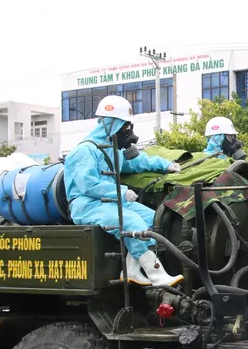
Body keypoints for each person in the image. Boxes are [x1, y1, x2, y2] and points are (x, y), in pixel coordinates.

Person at [64, 95, 184, 286]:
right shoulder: (84, 151)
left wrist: (166, 164)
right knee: (130, 221)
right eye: (124, 126)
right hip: (87, 205)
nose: (128, 131)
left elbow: (137, 161)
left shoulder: (113, 150)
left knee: (153, 219)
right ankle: (157, 276)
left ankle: (132, 270)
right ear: (110, 124)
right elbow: (88, 184)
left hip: (111, 202)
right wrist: (120, 192)